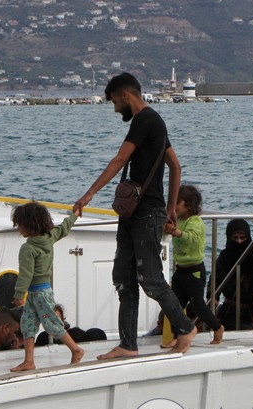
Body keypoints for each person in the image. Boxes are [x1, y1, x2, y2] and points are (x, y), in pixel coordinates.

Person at [73, 72, 198, 357]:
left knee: (150, 277)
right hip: (138, 212)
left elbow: (120, 159)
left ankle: (185, 327)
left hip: (145, 214)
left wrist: (90, 193)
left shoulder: (144, 120)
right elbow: (176, 167)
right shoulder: (156, 123)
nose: (115, 108)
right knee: (124, 277)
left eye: (115, 101)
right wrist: (169, 208)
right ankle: (128, 345)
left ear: (126, 95)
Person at [10, 202, 85, 371]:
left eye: (20, 225)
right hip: (41, 291)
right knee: (27, 323)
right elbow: (65, 227)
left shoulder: (28, 248)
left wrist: (18, 294)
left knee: (51, 324)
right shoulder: (50, 237)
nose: (18, 228)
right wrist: (74, 215)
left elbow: (25, 274)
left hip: (38, 293)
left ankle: (76, 349)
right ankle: (29, 360)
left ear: (29, 225)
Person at [162, 185, 224, 347]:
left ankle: (217, 327)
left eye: (177, 203)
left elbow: (192, 238)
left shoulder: (195, 222)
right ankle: (177, 335)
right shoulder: (178, 221)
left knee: (198, 305)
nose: (174, 206)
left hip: (194, 272)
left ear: (189, 205)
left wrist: (176, 232)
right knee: (175, 305)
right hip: (180, 270)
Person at [209, 219, 253, 330]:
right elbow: (214, 280)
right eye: (235, 238)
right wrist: (212, 297)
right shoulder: (224, 258)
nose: (239, 242)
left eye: (242, 238)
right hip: (230, 312)